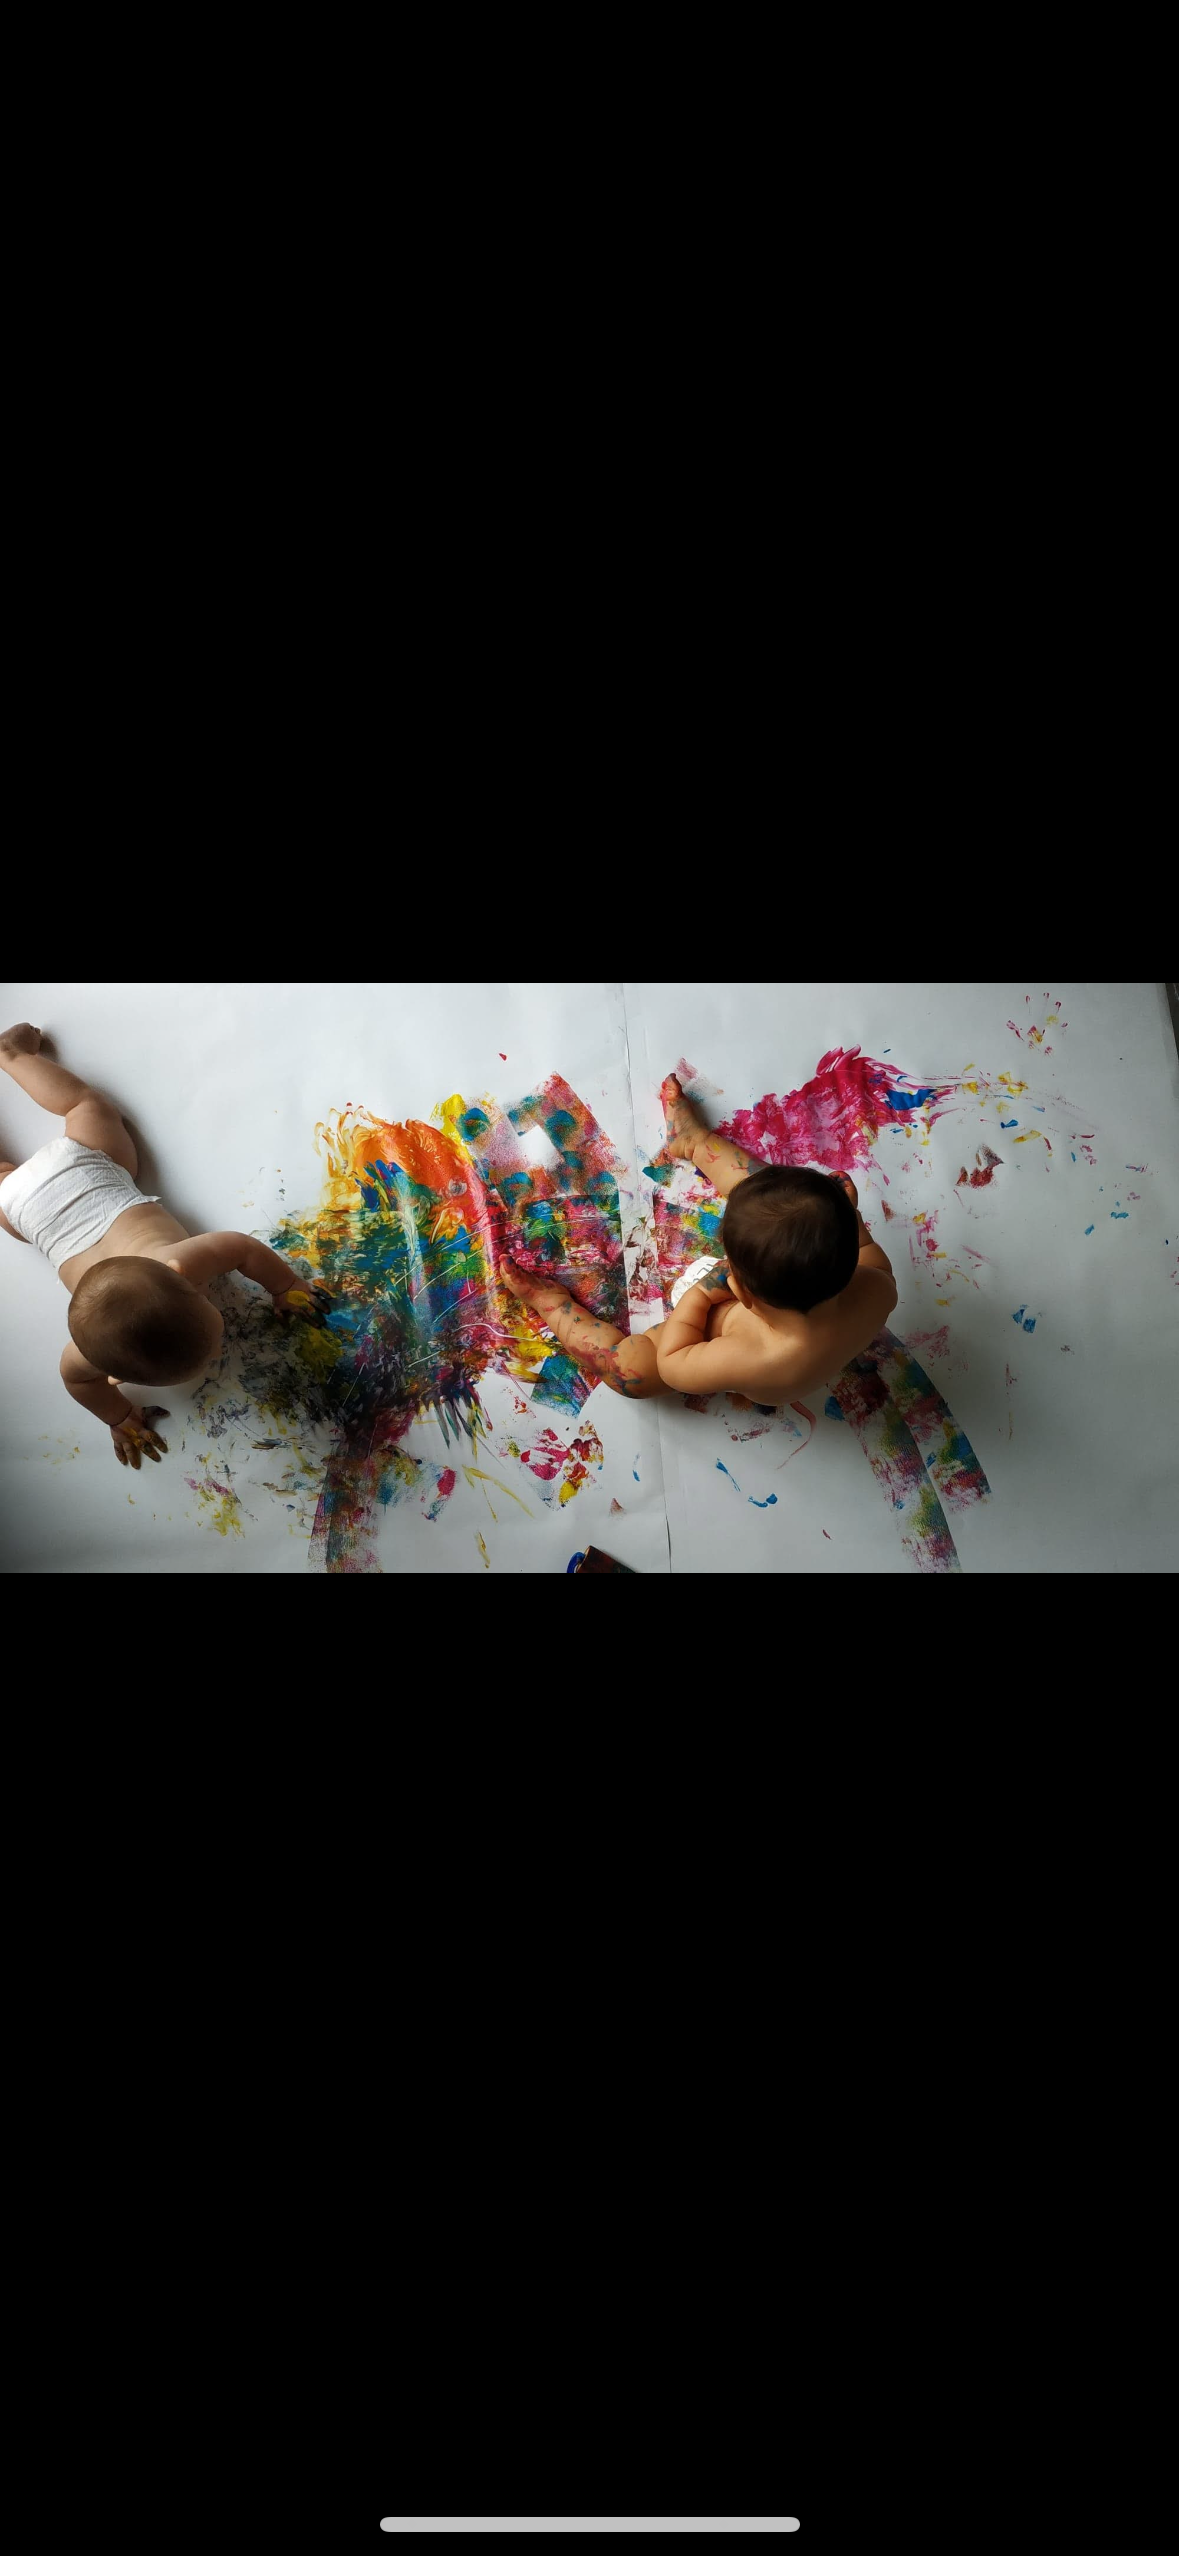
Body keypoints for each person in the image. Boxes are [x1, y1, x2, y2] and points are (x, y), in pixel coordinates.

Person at [0, 1022, 330, 1469]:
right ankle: (13, 1058)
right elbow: (77, 1380)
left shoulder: (175, 1264)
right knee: (62, 1126)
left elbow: (242, 1248)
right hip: (27, 1208)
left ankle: (13, 1054)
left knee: (86, 1107)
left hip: (69, 1176)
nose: (220, 1349)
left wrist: (286, 1285)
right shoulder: (95, 1342)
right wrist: (117, 1415)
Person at [501, 1072, 897, 1402]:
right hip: (795, 1295)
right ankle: (692, 1141)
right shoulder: (877, 1290)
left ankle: (552, 1305)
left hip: (712, 1328)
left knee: (630, 1372)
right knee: (780, 1206)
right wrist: (846, 1218)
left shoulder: (753, 1357)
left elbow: (673, 1364)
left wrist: (699, 1298)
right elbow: (869, 1254)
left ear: (738, 1290)